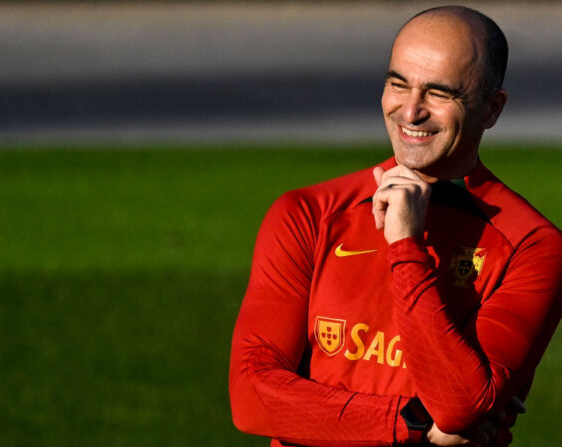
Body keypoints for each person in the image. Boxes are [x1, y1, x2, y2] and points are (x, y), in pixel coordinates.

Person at [229, 5, 561, 447]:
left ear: (492, 109)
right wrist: (413, 423)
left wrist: (405, 244)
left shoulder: (532, 246)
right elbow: (252, 398)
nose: (410, 111)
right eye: (397, 83)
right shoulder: (308, 214)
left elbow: (461, 403)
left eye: (439, 94)